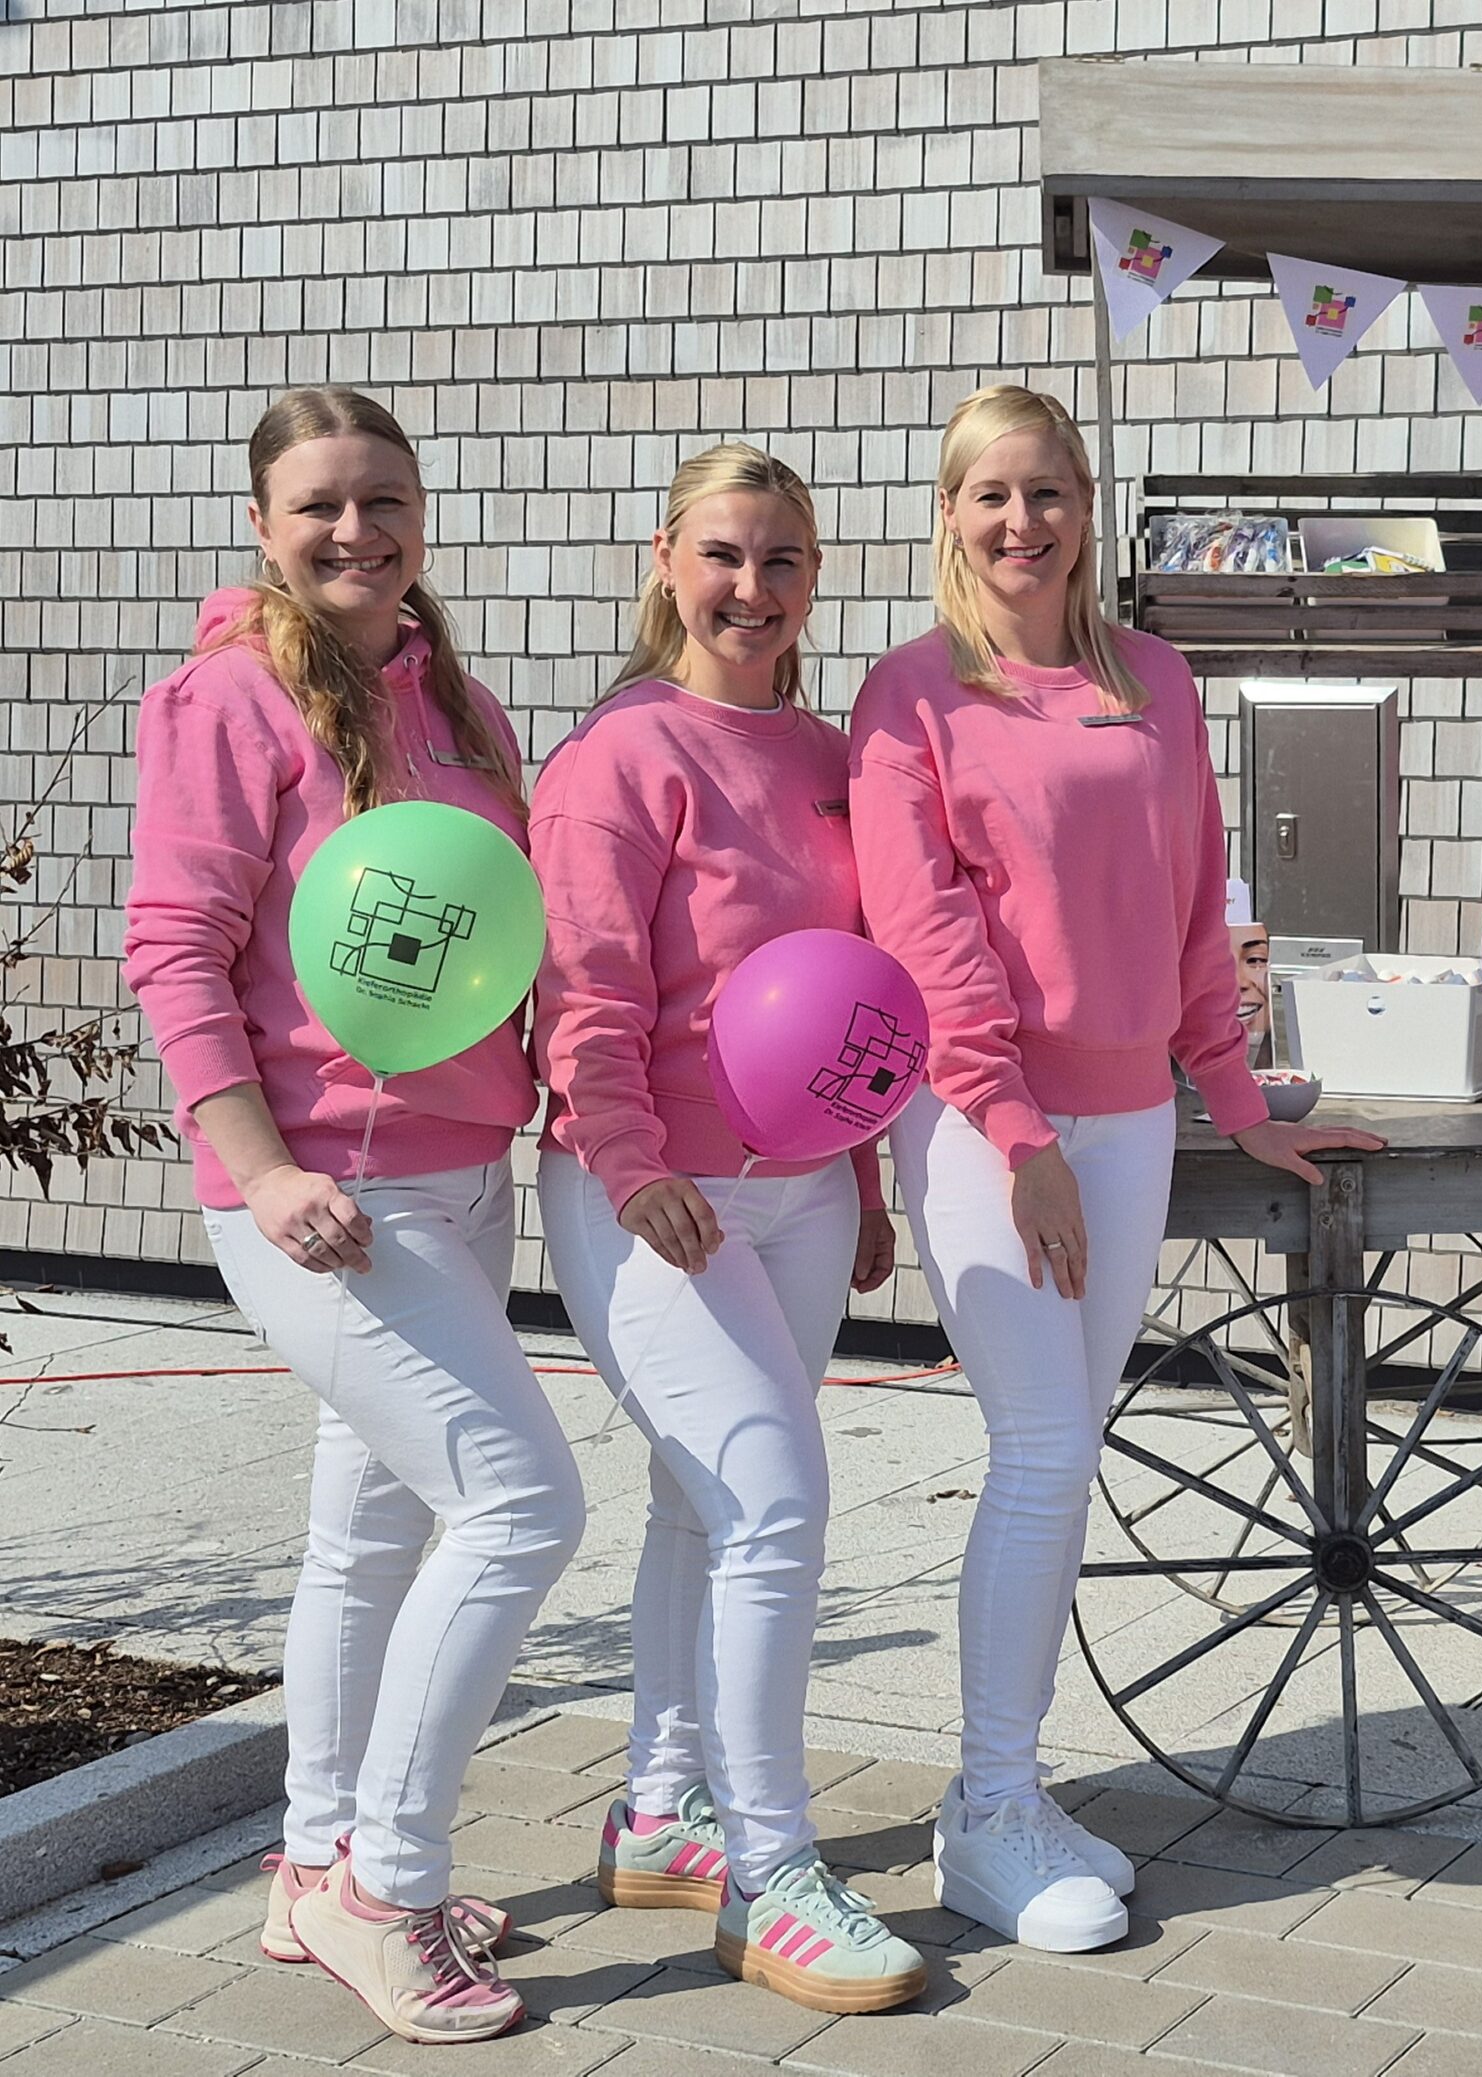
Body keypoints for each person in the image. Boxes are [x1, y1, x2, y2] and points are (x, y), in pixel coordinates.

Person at [849, 385, 1382, 1952]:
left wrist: (1237, 1098)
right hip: (983, 1124)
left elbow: (1194, 901)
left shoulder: (1155, 679)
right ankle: (990, 1809)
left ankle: (1010, 1791)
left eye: (1048, 492)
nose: (1022, 522)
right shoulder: (911, 697)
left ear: (1088, 507)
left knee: (1068, 1449)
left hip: (1133, 1117)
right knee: (1035, 1449)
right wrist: (1016, 1136)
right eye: (991, 495)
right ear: (950, 515)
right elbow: (927, 934)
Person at [124, 387, 580, 2046]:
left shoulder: (455, 699)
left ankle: (312, 1858)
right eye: (319, 504)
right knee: (522, 1508)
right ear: (262, 524)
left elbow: (504, 927)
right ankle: (387, 1886)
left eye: (383, 499)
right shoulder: (227, 697)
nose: (355, 531)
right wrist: (259, 1169)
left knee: (371, 1535)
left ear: (419, 514)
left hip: (460, 1169)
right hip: (322, 1191)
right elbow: (175, 947)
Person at [533, 444, 925, 2015]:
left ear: (814, 575)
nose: (750, 588)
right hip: (654, 1193)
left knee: (701, 1507)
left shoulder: (833, 755)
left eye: (781, 560)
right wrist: (629, 1165)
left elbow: (855, 994)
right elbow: (585, 988)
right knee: (774, 1500)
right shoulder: (620, 754)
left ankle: (661, 1804)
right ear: (665, 558)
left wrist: (867, 1181)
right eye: (722, 554)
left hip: (804, 1192)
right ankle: (770, 1873)